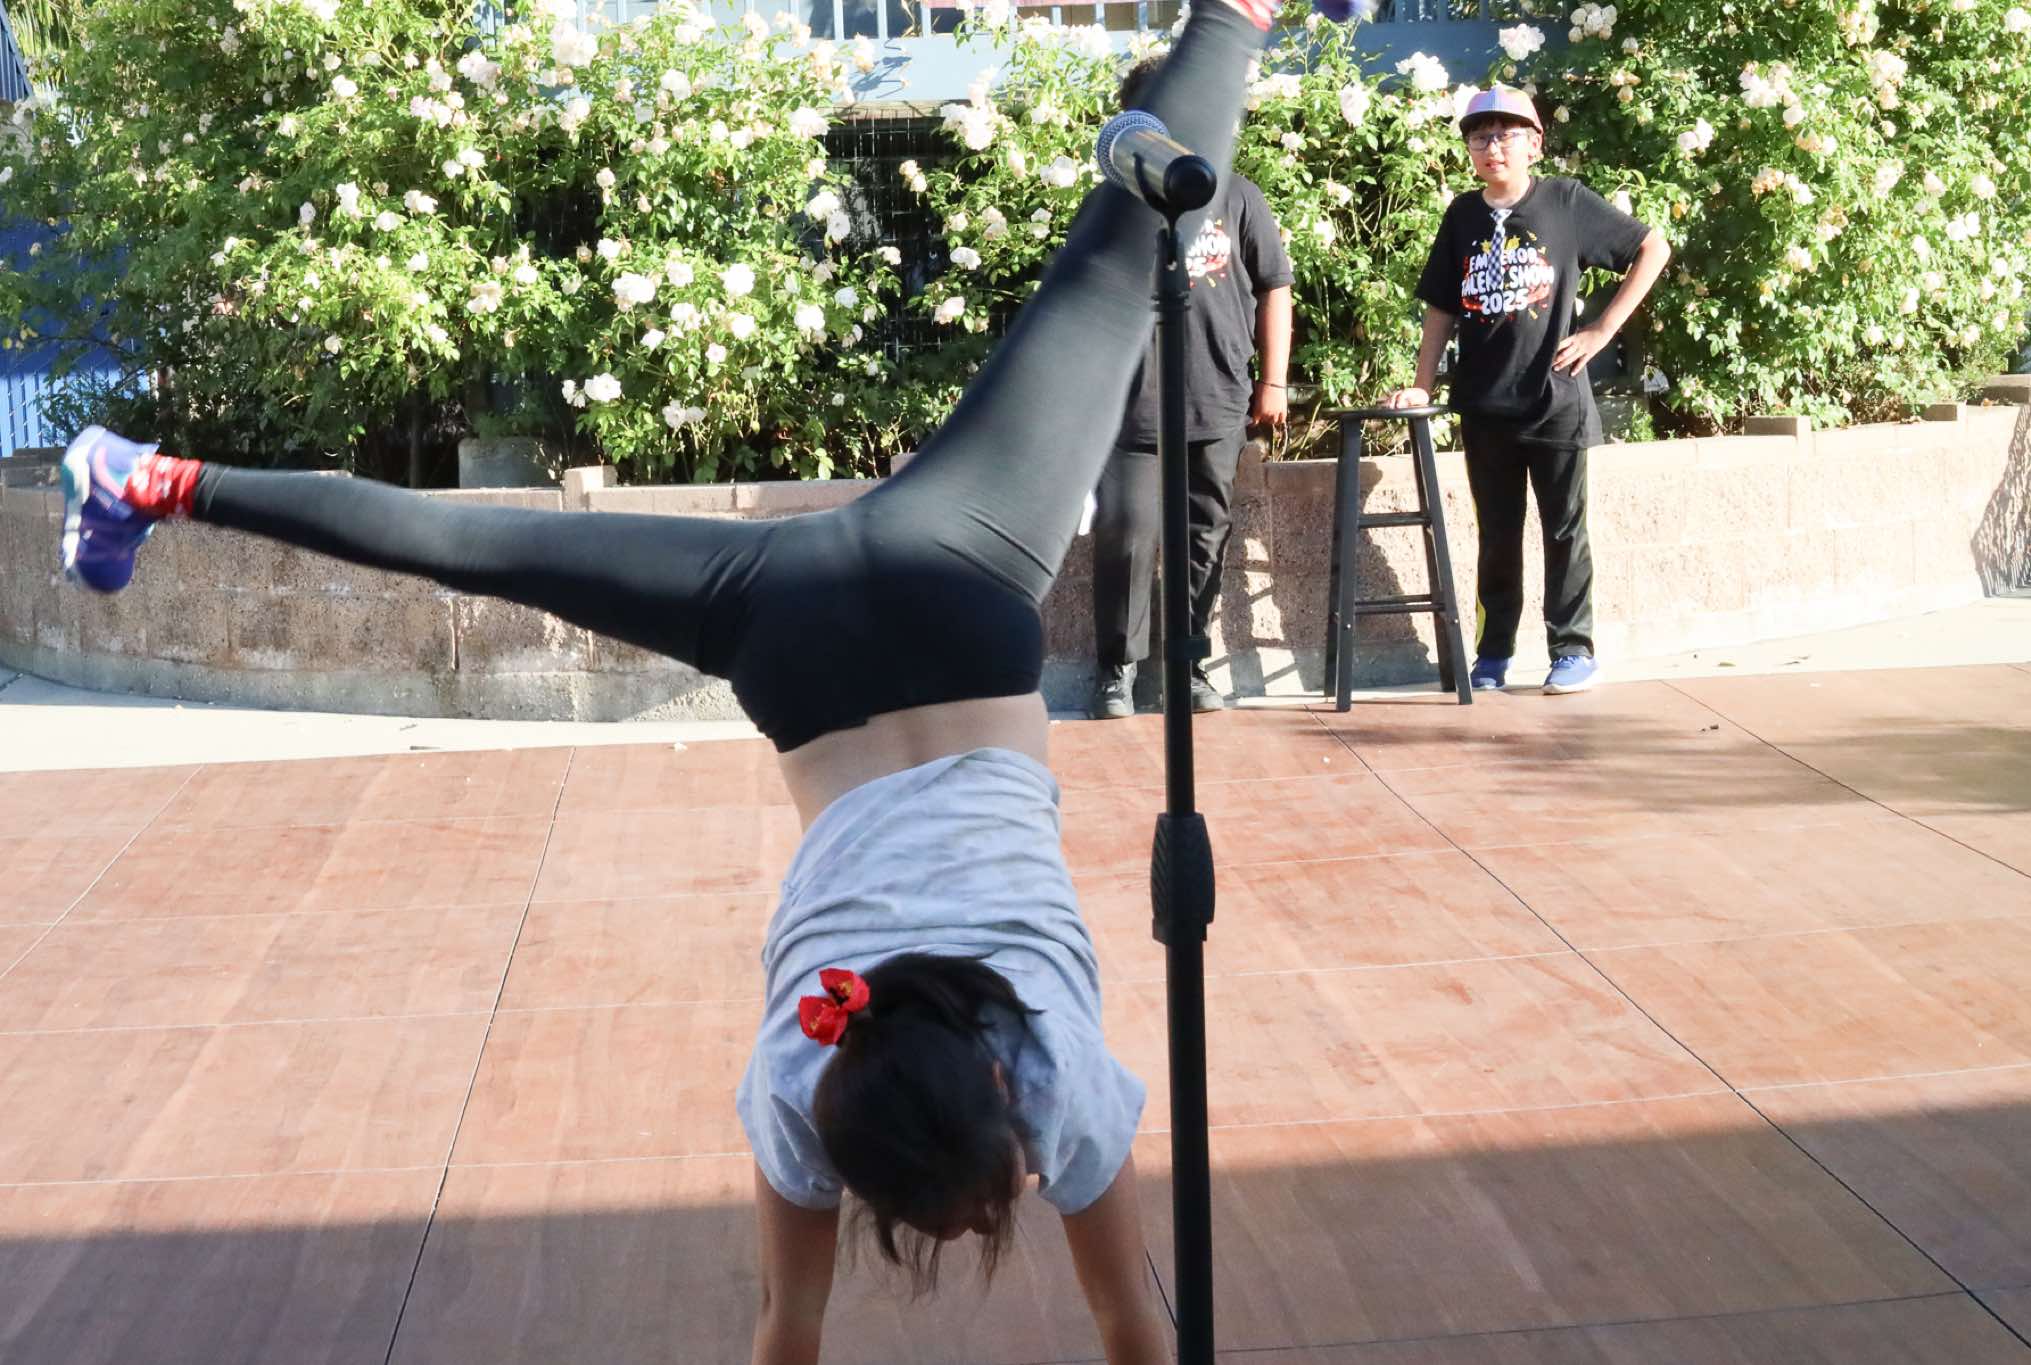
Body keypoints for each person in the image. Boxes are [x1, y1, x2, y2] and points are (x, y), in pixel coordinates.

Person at [53, 5, 1273, 1363]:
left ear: (996, 1080)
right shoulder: (808, 1074)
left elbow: (1122, 1329)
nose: (1035, 1174)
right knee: (474, 547)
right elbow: (791, 1331)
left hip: (959, 587)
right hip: (802, 636)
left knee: (1110, 280)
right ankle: (151, 479)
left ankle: (1239, 16)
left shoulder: (1048, 1078)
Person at [1387, 85, 1669, 694]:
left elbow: (1652, 247)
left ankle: (1573, 650)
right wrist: (1421, 385)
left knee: (1565, 533)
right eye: (1479, 137)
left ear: (1534, 144)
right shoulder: (1462, 216)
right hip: (1484, 406)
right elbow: (1441, 308)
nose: (1492, 147)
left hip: (1556, 402)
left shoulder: (1566, 202)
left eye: (1505, 135)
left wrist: (1602, 330)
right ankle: (1494, 653)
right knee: (1497, 534)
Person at [1087, 53, 1294, 721]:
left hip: (1217, 397)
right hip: (1129, 407)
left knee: (1205, 534)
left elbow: (1275, 287)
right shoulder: (1111, 203)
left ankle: (1186, 663)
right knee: (1126, 531)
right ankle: (1116, 670)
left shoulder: (1237, 194)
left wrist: (1274, 382)